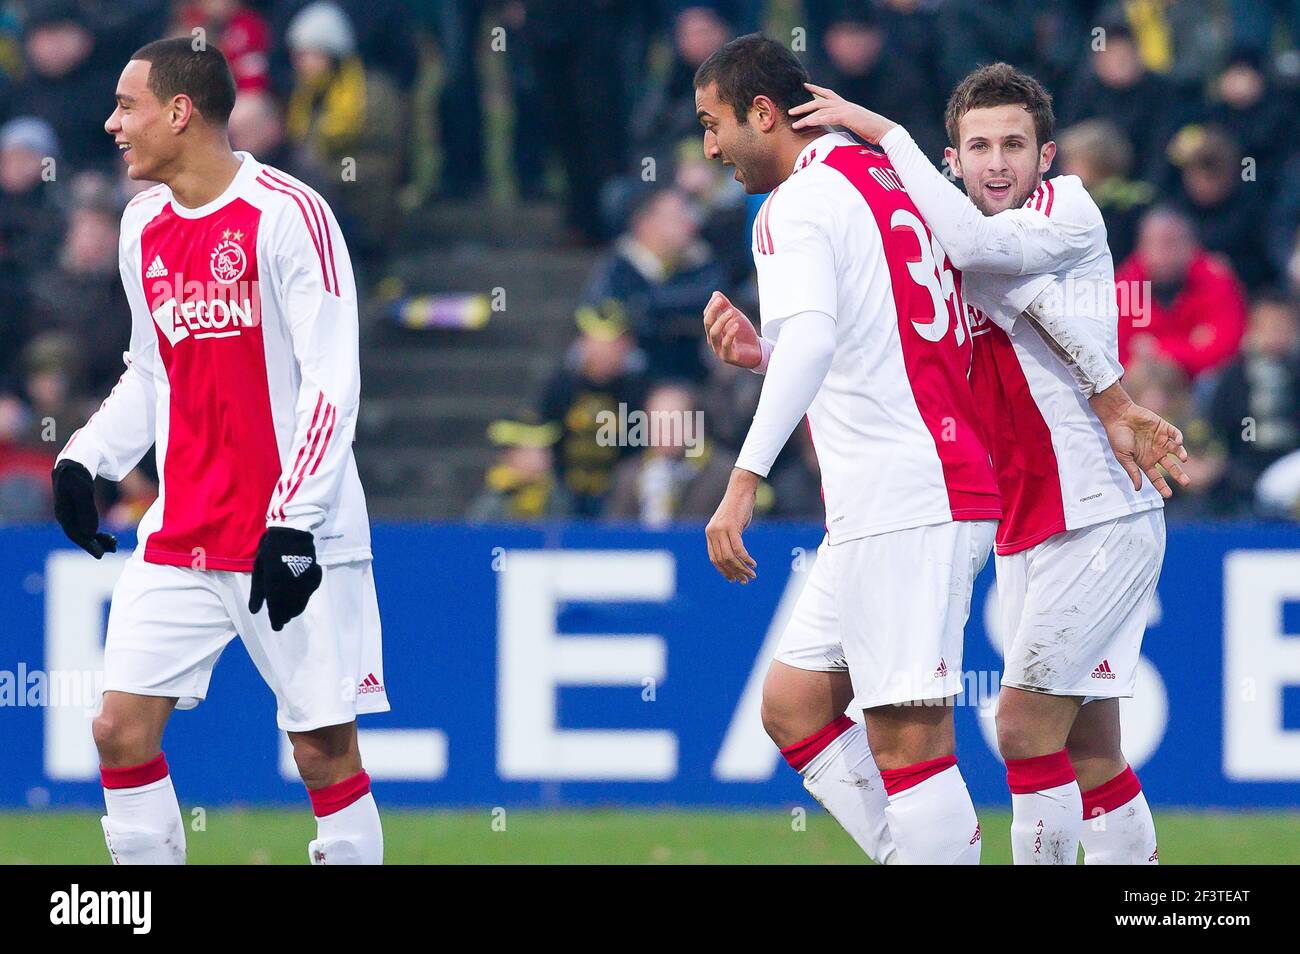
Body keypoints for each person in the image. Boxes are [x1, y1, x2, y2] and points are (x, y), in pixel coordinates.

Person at [771, 63, 1188, 864]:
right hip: (1029, 522)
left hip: (1100, 508)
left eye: (1015, 145)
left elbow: (975, 245)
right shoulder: (947, 241)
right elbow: (897, 345)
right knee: (1091, 750)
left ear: (1047, 154)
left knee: (1022, 728)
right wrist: (771, 355)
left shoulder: (1065, 210)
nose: (998, 162)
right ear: (954, 158)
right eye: (979, 146)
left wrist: (884, 133)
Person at [50, 38, 386, 865]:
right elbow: (151, 368)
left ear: (180, 111)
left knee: (322, 754)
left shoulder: (288, 216)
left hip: (286, 531)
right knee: (119, 730)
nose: (111, 123)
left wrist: (296, 522)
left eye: (127, 106)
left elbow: (330, 383)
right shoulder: (141, 226)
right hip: (182, 529)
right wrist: (85, 460)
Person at [696, 34, 1005, 865]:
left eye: (713, 123)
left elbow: (815, 346)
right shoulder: (883, 177)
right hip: (917, 484)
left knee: (908, 737)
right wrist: (769, 352)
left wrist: (743, 479)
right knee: (794, 703)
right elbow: (872, 332)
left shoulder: (792, 204)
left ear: (764, 113)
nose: (709, 147)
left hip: (906, 495)